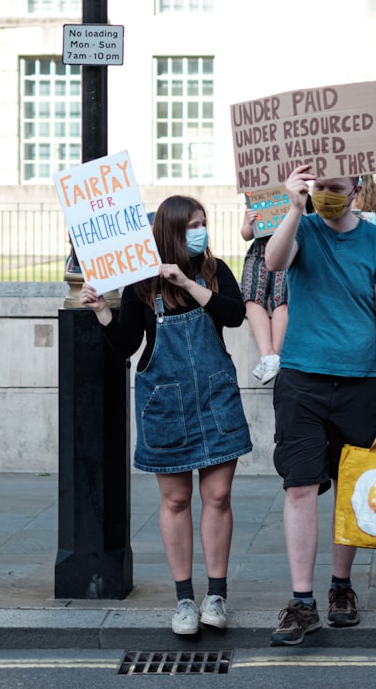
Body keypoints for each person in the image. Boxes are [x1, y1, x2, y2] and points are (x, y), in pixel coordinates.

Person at [79, 195, 252, 636]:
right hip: (165, 405)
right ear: (172, 233)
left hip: (215, 401)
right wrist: (102, 310)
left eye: (204, 222)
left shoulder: (214, 272)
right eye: (193, 224)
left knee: (217, 498)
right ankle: (184, 600)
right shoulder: (143, 284)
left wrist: (191, 284)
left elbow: (234, 315)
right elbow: (125, 345)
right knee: (175, 501)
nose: (202, 230)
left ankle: (216, 594)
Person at [263, 164, 376, 646]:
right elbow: (273, 262)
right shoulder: (301, 227)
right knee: (300, 487)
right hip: (303, 377)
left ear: (357, 190)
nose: (326, 195)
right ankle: (301, 601)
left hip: (363, 382)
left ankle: (341, 587)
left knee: (353, 488)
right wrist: (293, 206)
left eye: (335, 188)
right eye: (319, 187)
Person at [239, 206, 288, 385]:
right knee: (252, 297)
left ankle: (271, 357)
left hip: (288, 250)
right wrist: (249, 222)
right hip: (259, 251)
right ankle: (269, 356)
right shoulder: (255, 203)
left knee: (280, 297)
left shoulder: (300, 197)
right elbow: (245, 234)